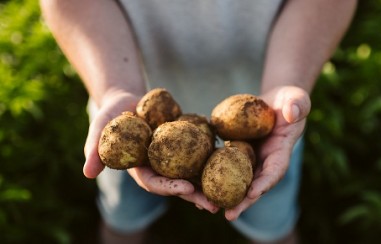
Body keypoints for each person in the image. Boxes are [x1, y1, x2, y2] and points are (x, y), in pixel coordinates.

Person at [40, 0, 357, 243]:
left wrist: (288, 79)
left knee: (273, 218)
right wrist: (113, 87)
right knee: (122, 216)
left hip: (273, 121)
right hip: (128, 100)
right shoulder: (136, 125)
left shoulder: (261, 131)